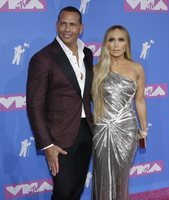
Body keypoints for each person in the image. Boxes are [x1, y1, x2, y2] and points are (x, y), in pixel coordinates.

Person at [26, 6, 93, 200]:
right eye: (63, 23)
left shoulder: (87, 54)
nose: (67, 29)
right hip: (60, 137)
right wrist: (47, 145)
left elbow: (86, 92)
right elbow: (34, 105)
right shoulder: (43, 58)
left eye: (72, 24)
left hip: (86, 131)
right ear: (56, 25)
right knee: (63, 192)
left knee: (76, 189)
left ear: (81, 28)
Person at [91, 25, 147, 200]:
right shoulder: (95, 70)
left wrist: (143, 130)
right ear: (106, 43)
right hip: (101, 130)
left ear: (126, 44)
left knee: (120, 178)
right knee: (101, 176)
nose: (116, 45)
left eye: (120, 40)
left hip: (127, 131)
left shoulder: (136, 68)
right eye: (111, 39)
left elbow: (139, 101)